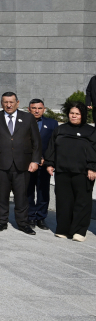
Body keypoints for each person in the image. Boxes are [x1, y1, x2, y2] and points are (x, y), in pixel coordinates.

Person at [0, 92, 41, 234]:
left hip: (23, 163)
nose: (8, 105)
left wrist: (35, 160)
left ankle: (23, 223)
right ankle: (1, 222)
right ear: (1, 103)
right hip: (0, 163)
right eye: (5, 102)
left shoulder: (28, 118)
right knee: (1, 195)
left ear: (18, 102)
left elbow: (36, 141)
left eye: (11, 102)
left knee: (22, 196)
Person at [44, 101, 96, 241]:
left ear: (82, 115)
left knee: (82, 202)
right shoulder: (60, 130)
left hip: (83, 173)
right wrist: (49, 163)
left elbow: (94, 151)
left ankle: (79, 231)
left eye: (77, 114)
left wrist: (92, 167)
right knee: (63, 201)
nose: (73, 116)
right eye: (71, 113)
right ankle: (63, 229)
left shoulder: (90, 131)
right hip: (62, 171)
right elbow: (51, 148)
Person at [27, 99, 59, 230]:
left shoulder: (52, 123)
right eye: (33, 108)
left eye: (39, 108)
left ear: (44, 109)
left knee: (43, 191)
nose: (36, 110)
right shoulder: (23, 122)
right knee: (28, 191)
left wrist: (47, 159)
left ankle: (41, 217)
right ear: (29, 109)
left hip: (45, 163)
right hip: (28, 164)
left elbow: (55, 144)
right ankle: (30, 217)